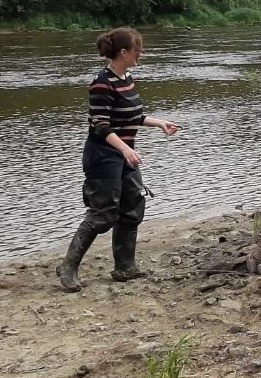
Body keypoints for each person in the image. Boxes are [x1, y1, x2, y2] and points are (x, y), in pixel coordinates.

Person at [57, 28, 182, 292]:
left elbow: (131, 117)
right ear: (123, 52)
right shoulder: (102, 83)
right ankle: (68, 267)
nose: (142, 54)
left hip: (125, 153)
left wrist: (158, 123)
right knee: (103, 214)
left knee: (132, 206)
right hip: (102, 157)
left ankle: (125, 267)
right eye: (138, 49)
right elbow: (101, 125)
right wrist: (125, 149)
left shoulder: (126, 78)